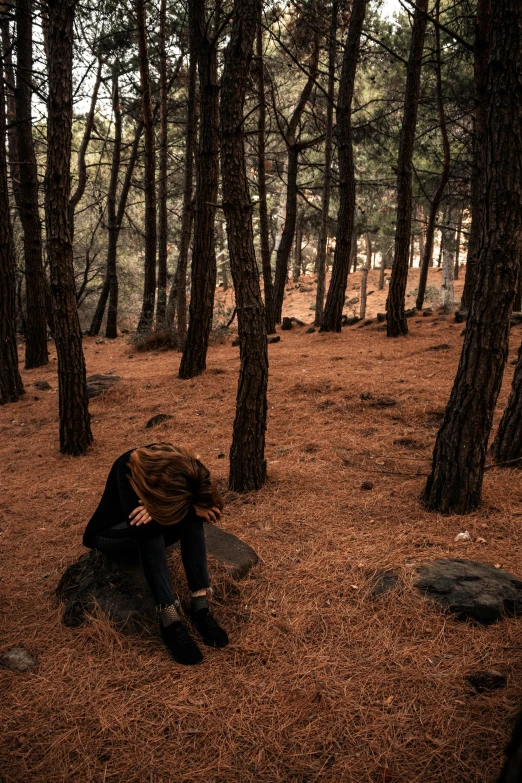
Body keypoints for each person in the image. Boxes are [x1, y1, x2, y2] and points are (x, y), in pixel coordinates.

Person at [83, 443, 228, 666]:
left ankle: (200, 607)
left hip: (151, 523)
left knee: (191, 523)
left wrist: (169, 508)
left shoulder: (183, 464)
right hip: (113, 533)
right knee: (153, 530)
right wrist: (186, 509)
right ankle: (169, 620)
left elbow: (211, 507)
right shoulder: (127, 467)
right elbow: (140, 527)